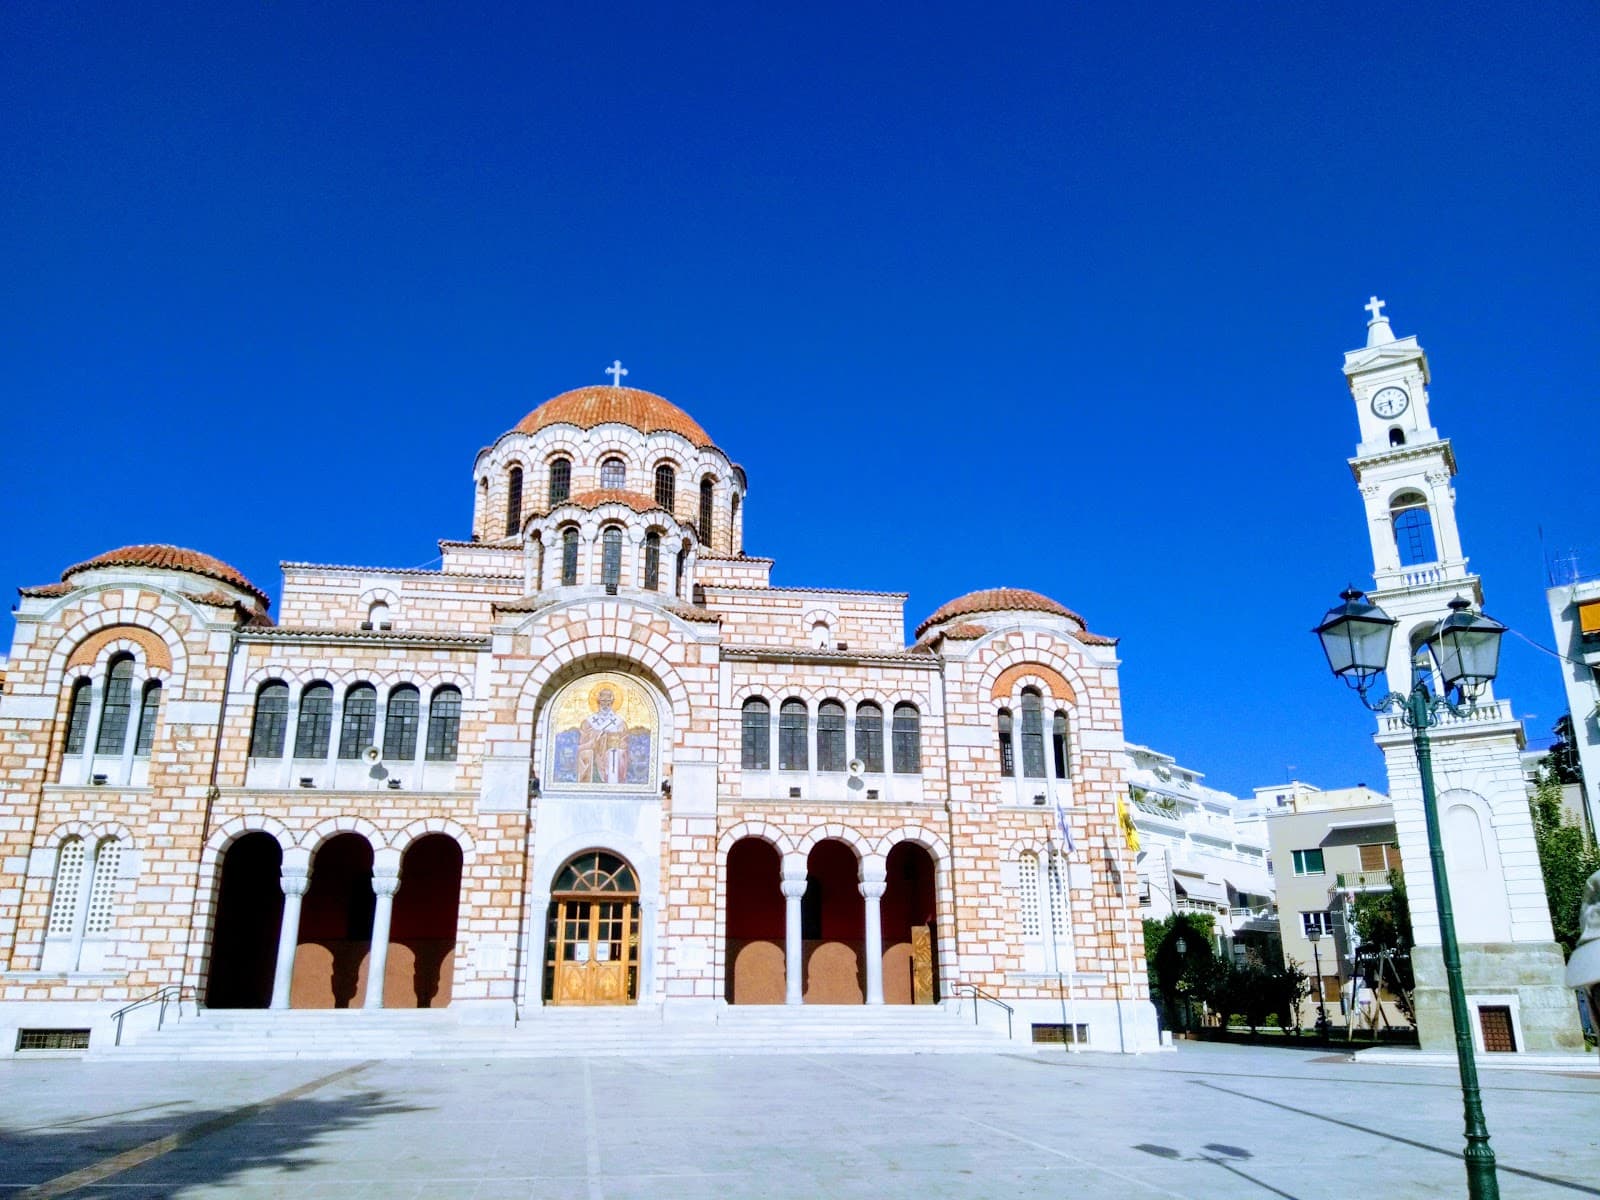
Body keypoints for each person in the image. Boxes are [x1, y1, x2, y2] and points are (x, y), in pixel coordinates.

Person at [576, 688, 630, 783]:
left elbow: (624, 743)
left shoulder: (620, 723)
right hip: (594, 751)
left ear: (612, 702)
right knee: (586, 754)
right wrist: (595, 737)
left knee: (617, 755)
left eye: (608, 701)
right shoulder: (588, 722)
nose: (605, 704)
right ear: (598, 702)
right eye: (603, 701)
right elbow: (582, 742)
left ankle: (614, 783)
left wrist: (615, 744)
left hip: (611, 751)